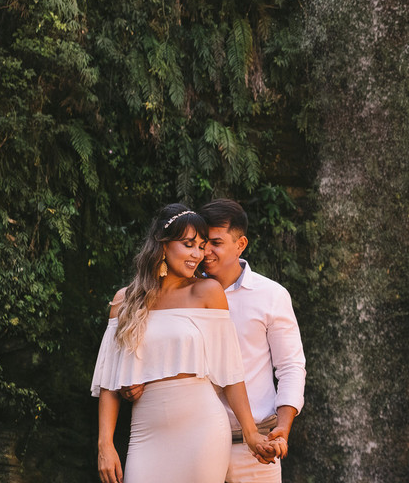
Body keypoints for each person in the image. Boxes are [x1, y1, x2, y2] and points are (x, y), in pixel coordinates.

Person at [91, 205, 275, 483]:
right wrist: (105, 445)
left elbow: (231, 373)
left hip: (202, 430)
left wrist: (251, 433)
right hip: (146, 433)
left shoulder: (207, 292)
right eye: (189, 245)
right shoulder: (123, 301)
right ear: (162, 246)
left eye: (201, 246)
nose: (197, 255)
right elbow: (109, 383)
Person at [199, 198, 306, 483]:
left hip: (257, 449)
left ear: (241, 244)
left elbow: (291, 367)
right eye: (201, 243)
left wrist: (282, 427)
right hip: (196, 445)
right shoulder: (183, 294)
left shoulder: (271, 295)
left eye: (216, 243)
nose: (206, 251)